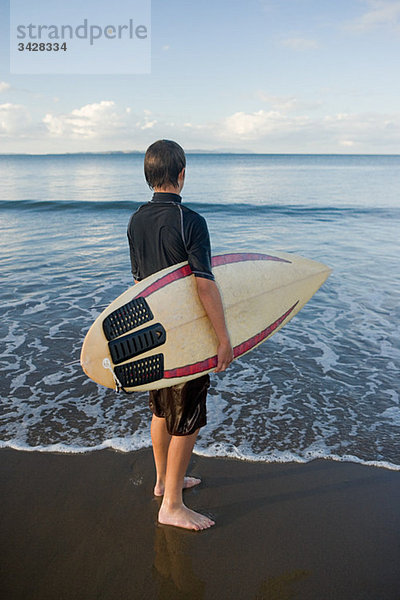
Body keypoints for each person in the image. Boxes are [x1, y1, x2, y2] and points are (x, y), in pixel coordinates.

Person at [127, 139, 233, 531]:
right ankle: (172, 504)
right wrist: (223, 338)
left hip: (153, 334)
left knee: (159, 409)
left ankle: (162, 482)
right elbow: (205, 284)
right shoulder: (192, 221)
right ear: (182, 174)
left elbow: (139, 283)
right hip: (186, 338)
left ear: (148, 176)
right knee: (187, 418)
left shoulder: (135, 220)